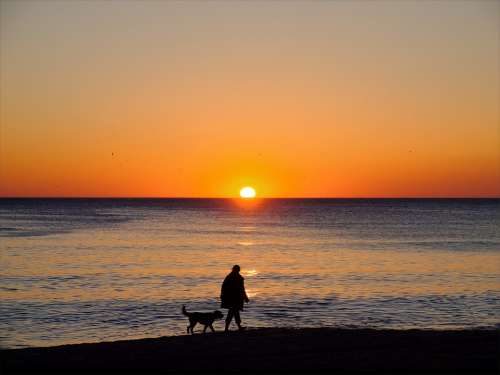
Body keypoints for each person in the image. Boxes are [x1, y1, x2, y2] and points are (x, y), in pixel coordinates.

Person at [220, 264, 249, 331]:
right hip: (235, 298)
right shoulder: (237, 277)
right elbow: (242, 289)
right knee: (233, 312)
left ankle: (237, 327)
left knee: (234, 312)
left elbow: (223, 287)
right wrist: (245, 297)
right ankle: (228, 328)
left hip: (232, 298)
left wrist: (222, 295)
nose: (238, 270)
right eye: (238, 269)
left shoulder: (229, 277)